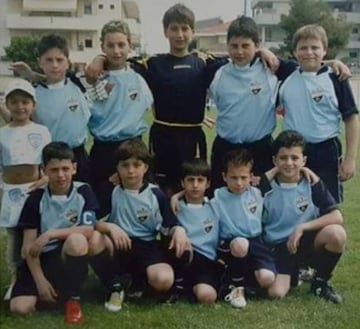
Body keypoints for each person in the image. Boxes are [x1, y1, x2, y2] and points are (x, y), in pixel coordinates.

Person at [85, 4, 282, 196]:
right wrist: (100, 58)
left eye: (184, 29)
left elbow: (239, 58)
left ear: (193, 31)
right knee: (163, 186)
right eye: (174, 29)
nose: (179, 34)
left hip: (192, 138)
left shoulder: (205, 63)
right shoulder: (151, 64)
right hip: (163, 137)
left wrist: (261, 51)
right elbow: (119, 62)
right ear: (165, 31)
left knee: (195, 186)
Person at [209, 17, 354, 193]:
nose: (239, 51)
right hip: (226, 148)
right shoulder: (215, 70)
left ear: (257, 45)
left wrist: (334, 63)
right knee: (220, 199)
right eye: (234, 46)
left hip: (261, 149)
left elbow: (309, 66)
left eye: (246, 46)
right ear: (227, 46)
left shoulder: (273, 67)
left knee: (265, 201)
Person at [88, 139, 191, 312]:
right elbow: (90, 221)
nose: (131, 171)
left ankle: (139, 283)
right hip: (119, 245)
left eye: (136, 165)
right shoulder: (109, 190)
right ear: (117, 168)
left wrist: (179, 230)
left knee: (163, 279)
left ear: (145, 167)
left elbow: (169, 223)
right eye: (125, 165)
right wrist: (110, 227)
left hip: (147, 248)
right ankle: (115, 285)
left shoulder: (155, 194)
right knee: (94, 239)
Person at [9, 142, 98, 324]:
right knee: (20, 308)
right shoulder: (35, 199)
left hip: (64, 256)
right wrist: (40, 281)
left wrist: (51, 234)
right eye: (54, 169)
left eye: (65, 169)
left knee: (78, 240)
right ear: (44, 170)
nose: (60, 175)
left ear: (74, 168)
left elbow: (88, 229)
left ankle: (72, 299)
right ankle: (46, 291)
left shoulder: (84, 191)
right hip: (39, 260)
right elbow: (28, 248)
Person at [262, 130, 346, 304]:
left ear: (304, 161)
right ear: (274, 161)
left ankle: (320, 282)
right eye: (283, 158)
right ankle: (296, 273)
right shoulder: (266, 187)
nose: (289, 163)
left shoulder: (312, 183)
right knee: (276, 293)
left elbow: (337, 216)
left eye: (295, 158)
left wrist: (301, 228)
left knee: (337, 234)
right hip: (278, 248)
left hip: (305, 242)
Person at [278, 24, 359, 203]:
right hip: (294, 152)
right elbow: (261, 55)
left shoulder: (337, 78)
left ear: (324, 50)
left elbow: (351, 119)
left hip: (326, 150)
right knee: (295, 203)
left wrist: (350, 159)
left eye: (315, 47)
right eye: (303, 48)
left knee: (327, 205)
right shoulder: (287, 75)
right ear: (295, 52)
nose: (309, 52)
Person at [87, 20, 153, 216]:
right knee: (103, 202)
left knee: (130, 203)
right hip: (103, 150)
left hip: (131, 148)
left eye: (121, 45)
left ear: (129, 45)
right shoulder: (94, 77)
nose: (116, 51)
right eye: (110, 45)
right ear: (102, 47)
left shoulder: (139, 78)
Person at [10, 34, 92, 183]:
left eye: (59, 60)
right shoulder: (34, 94)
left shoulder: (79, 84)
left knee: (82, 201)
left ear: (68, 62)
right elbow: (17, 122)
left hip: (79, 158)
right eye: (49, 60)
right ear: (39, 62)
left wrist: (32, 74)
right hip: (50, 160)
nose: (55, 65)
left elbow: (103, 67)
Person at [0, 79, 51, 300]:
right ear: (7, 105)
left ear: (33, 105)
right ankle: (15, 277)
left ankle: (36, 275)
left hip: (34, 190)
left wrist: (46, 179)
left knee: (33, 234)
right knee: (13, 236)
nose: (20, 107)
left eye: (25, 102)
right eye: (14, 102)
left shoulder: (41, 131)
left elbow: (49, 161)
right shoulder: (2, 133)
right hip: (10, 190)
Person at [213, 149, 276, 308]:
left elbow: (278, 170)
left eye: (243, 177)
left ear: (251, 177)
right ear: (224, 177)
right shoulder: (217, 195)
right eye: (233, 177)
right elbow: (192, 193)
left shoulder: (257, 191)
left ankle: (238, 280)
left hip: (256, 242)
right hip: (231, 243)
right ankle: (237, 288)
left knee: (267, 278)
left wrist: (303, 169)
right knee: (240, 244)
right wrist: (176, 197)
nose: (239, 183)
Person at [169, 158, 221, 304]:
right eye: (190, 180)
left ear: (208, 183)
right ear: (182, 182)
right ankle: (177, 288)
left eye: (200, 180)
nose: (195, 185)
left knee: (207, 297)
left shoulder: (215, 205)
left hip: (207, 262)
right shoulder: (175, 206)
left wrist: (176, 194)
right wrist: (175, 197)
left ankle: (192, 287)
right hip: (184, 256)